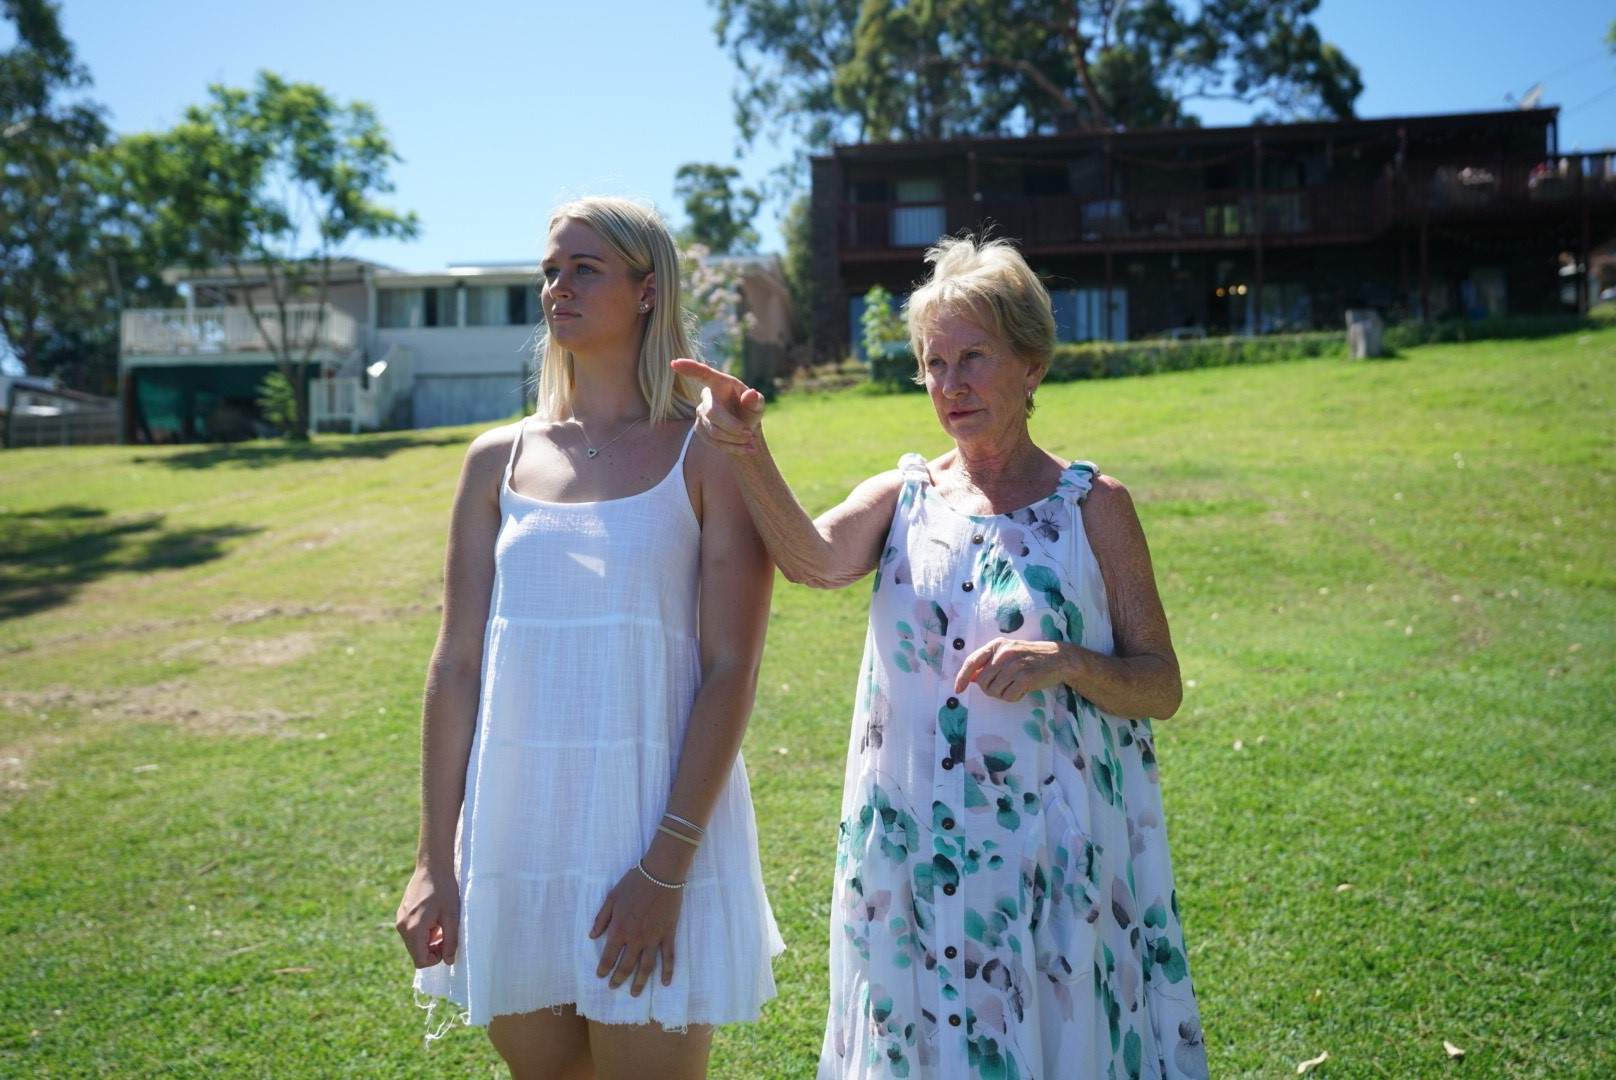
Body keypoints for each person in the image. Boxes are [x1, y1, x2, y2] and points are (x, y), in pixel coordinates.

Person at [675, 235, 1208, 1079]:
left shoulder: (1095, 508)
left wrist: (1066, 659)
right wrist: (746, 448)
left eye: (973, 359)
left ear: (1031, 365)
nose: (950, 385)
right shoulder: (905, 495)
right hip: (919, 848)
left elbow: (1162, 685)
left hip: (1055, 857)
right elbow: (812, 559)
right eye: (933, 363)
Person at [396, 196, 783, 1080]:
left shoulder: (709, 455)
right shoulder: (495, 461)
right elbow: (455, 668)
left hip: (652, 829)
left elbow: (731, 670)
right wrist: (434, 861)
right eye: (548, 271)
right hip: (513, 838)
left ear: (648, 292)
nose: (556, 287)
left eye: (584, 269)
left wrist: (666, 869)